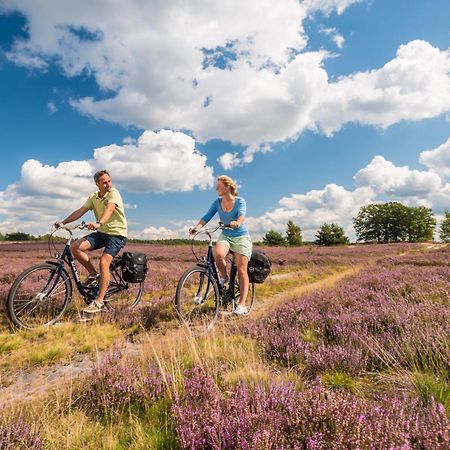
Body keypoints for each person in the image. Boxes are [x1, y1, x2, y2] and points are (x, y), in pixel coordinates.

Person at [55, 169, 128, 314]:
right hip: (102, 233)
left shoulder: (114, 193)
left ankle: (99, 301)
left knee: (104, 263)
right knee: (75, 247)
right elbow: (80, 211)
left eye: (109, 181)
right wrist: (63, 223)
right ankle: (93, 274)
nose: (108, 184)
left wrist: (99, 223)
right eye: (104, 182)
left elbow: (110, 209)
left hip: (117, 234)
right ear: (97, 184)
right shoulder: (94, 197)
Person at [190, 175, 252, 315]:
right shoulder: (217, 202)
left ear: (227, 186)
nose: (216, 188)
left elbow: (242, 215)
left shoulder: (240, 201)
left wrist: (238, 222)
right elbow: (207, 216)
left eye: (218, 186)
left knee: (242, 270)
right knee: (217, 254)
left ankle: (242, 305)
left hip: (241, 236)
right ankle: (224, 276)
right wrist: (197, 227)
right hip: (226, 235)